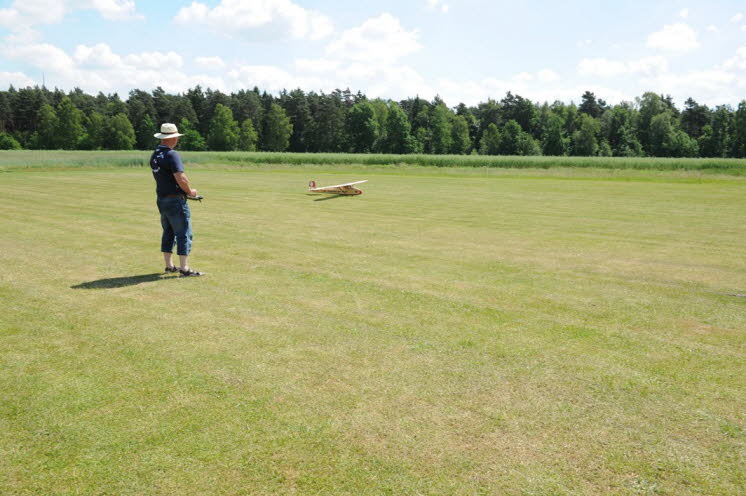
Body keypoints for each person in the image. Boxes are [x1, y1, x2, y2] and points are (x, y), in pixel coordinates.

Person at [150, 123, 203, 277]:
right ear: (172, 138)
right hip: (175, 200)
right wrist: (190, 192)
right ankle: (184, 269)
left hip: (161, 199)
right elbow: (181, 178)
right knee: (184, 233)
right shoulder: (172, 155)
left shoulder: (155, 154)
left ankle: (169, 266)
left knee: (168, 232)